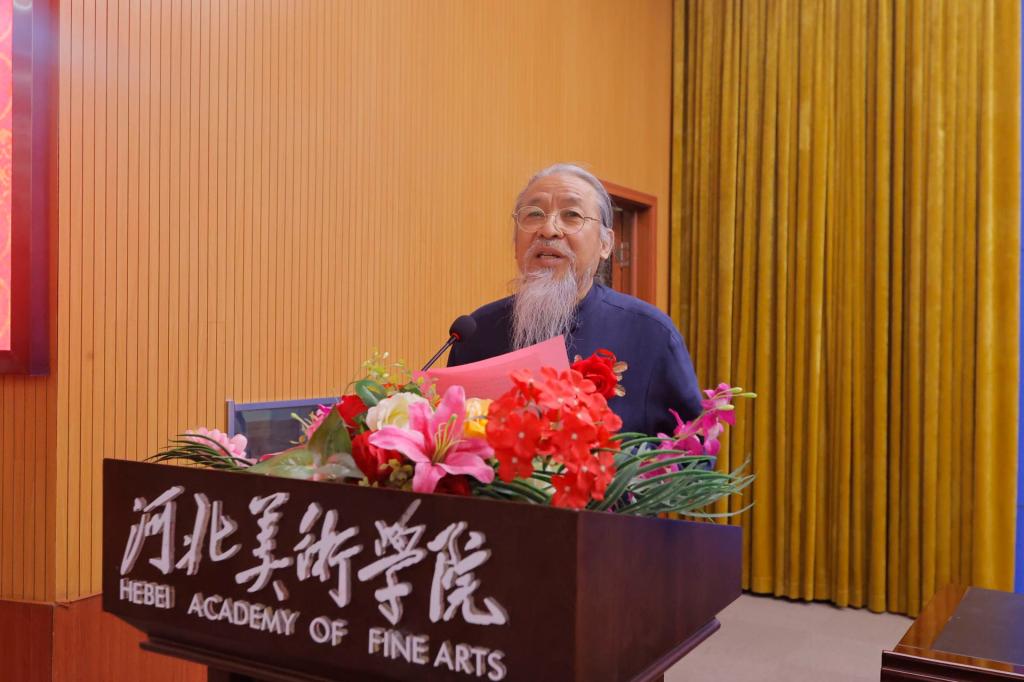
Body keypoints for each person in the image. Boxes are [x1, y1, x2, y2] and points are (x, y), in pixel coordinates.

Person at [447, 163, 702, 436]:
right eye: (534, 214)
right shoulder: (477, 331)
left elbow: (692, 448)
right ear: (515, 243)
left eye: (572, 215)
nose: (548, 229)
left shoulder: (651, 333)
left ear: (605, 244)